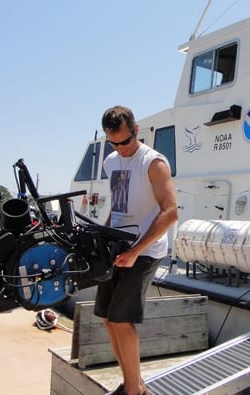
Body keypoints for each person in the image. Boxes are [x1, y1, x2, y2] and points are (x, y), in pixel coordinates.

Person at [95, 105, 178, 395]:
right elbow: (117, 208)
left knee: (121, 318)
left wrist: (135, 251)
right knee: (107, 317)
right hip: (117, 246)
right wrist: (101, 235)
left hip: (145, 250)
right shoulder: (111, 162)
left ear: (136, 130)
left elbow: (170, 213)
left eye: (125, 141)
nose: (121, 148)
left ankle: (134, 391)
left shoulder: (153, 162)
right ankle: (133, 383)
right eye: (114, 143)